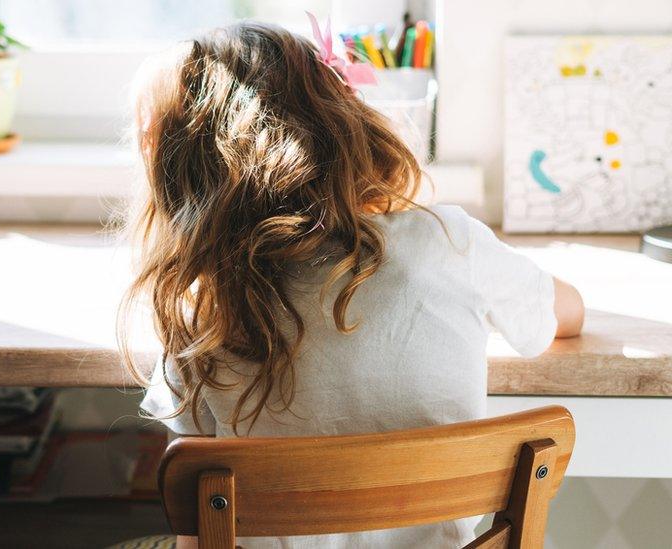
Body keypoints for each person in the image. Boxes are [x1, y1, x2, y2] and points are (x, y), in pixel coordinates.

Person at [118, 20, 584, 548]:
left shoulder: (200, 318)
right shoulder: (449, 245)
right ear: (345, 125)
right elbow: (565, 313)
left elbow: (198, 530)